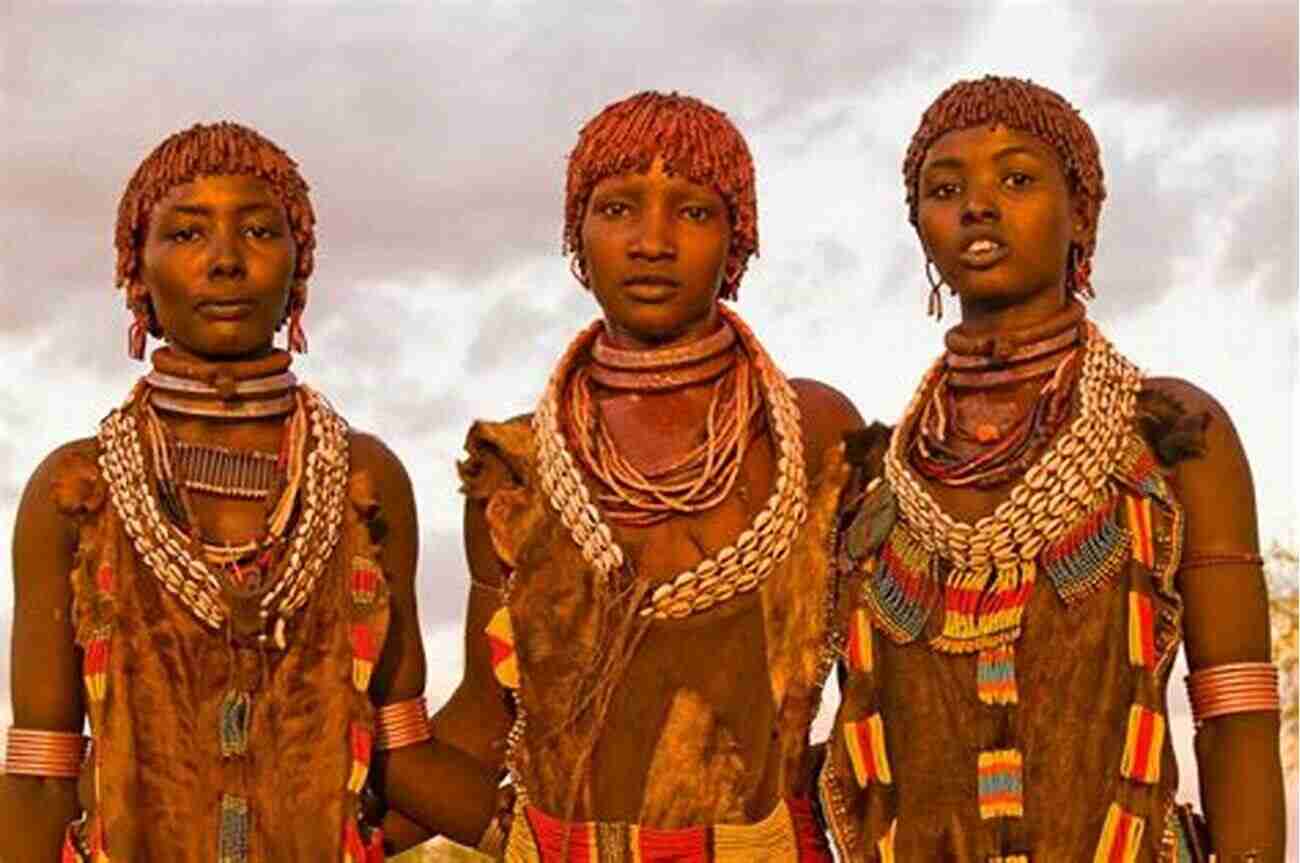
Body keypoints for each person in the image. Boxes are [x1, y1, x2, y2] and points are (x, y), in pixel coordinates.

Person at [0, 122, 496, 862]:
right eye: (186, 234)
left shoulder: (363, 481)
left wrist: (558, 840)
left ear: (301, 269)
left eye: (260, 231)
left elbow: (400, 751)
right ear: (138, 271)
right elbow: (41, 777)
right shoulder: (79, 489)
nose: (226, 261)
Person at [819, 76, 1286, 862]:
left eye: (1017, 178)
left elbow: (1234, 710)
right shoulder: (878, 481)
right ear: (920, 227)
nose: (978, 204)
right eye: (945, 187)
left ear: (1083, 214)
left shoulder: (1172, 437)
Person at [436, 91, 864, 861]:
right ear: (579, 233)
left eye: (694, 212)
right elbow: (482, 717)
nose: (653, 242)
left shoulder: (812, 432)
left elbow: (882, 694)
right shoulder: (520, 467)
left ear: (739, 240)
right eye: (619, 209)